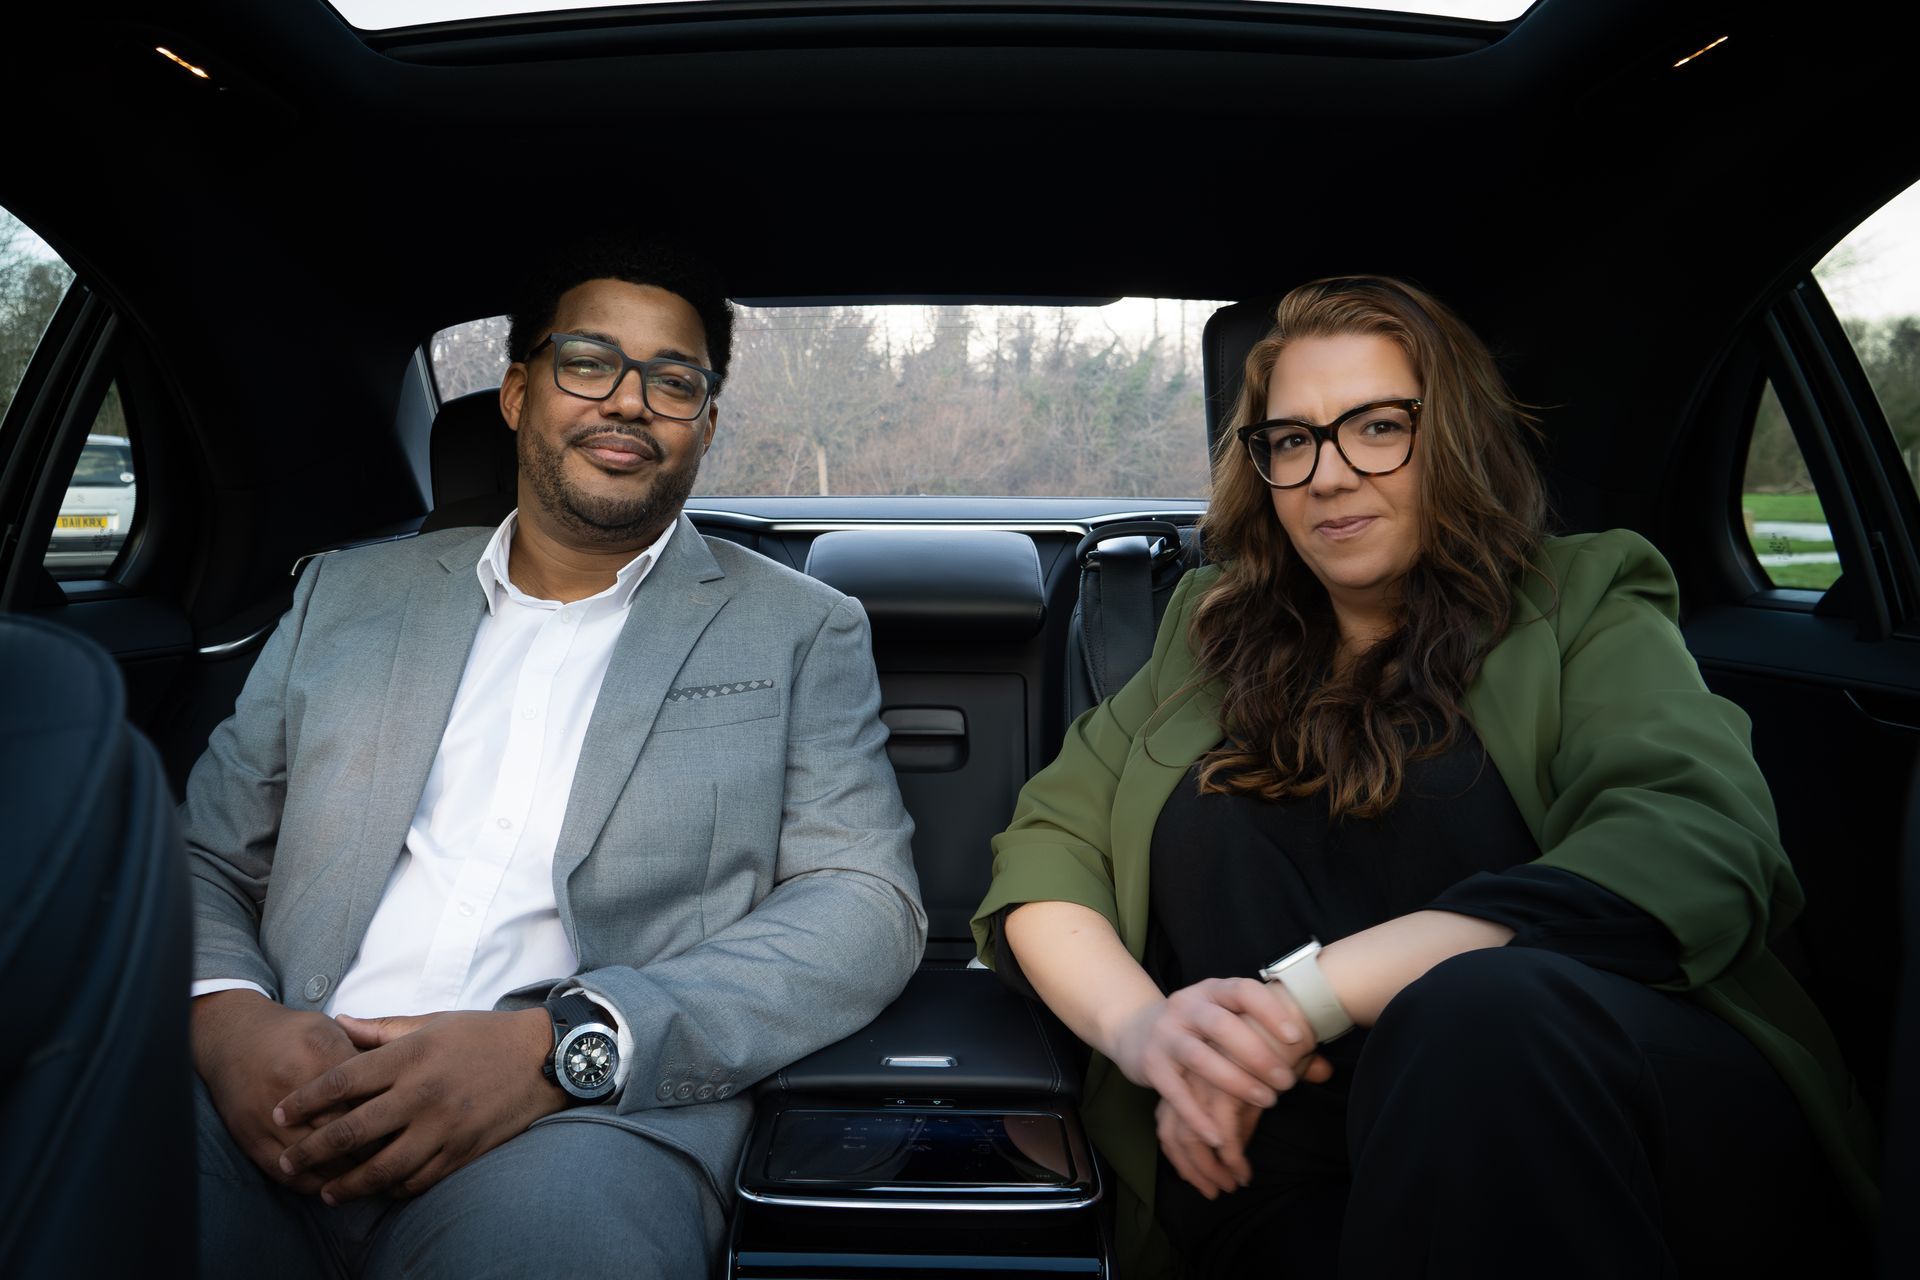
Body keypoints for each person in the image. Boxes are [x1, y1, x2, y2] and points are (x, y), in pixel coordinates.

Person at [972, 276, 1876, 1277]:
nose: (1328, 475)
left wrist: (1309, 998)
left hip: (1572, 1118)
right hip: (1267, 1165)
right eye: (1294, 440)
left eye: (1377, 427)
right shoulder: (1209, 626)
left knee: (1473, 1013)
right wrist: (1148, 1032)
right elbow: (1049, 846)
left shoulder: (1583, 598)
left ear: (1454, 437)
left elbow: (1696, 839)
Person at [186, 238, 925, 1279]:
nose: (628, 401)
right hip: (270, 1084)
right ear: (517, 392)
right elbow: (203, 856)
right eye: (588, 362)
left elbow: (862, 902)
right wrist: (226, 1017)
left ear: (706, 425)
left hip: (581, 1130)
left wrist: (568, 1044)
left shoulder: (800, 627)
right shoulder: (343, 597)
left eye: (674, 381)